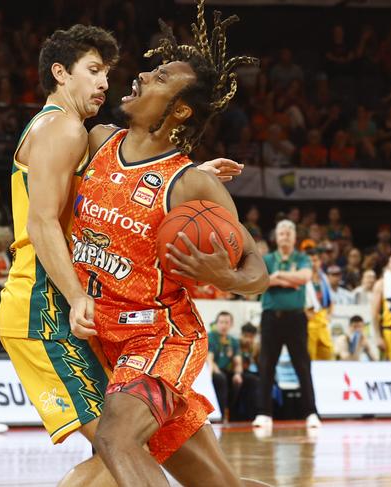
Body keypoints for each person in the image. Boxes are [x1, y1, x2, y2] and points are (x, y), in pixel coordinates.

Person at [0, 21, 247, 487]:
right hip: (46, 305)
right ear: (60, 73)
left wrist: (184, 180)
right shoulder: (66, 128)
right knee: (118, 448)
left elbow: (124, 184)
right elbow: (42, 222)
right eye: (93, 70)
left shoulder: (68, 131)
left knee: (211, 480)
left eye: (107, 72)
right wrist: (74, 296)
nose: (105, 83)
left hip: (109, 321)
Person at [70, 8, 268, 483]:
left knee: (115, 441)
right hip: (101, 339)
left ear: (179, 110)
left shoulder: (190, 185)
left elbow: (256, 268)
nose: (139, 75)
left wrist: (227, 277)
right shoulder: (96, 141)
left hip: (161, 338)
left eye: (158, 77)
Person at [253, 220, 320, 430]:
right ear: (276, 236)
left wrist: (279, 276)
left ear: (294, 237)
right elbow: (260, 281)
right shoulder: (267, 259)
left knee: (302, 365)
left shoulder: (302, 258)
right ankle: (264, 413)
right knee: (266, 365)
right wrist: (290, 281)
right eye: (282, 232)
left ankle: (311, 413)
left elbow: (305, 277)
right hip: (271, 317)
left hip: (296, 318)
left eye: (289, 232)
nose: (285, 236)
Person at [208, 311, 244, 420]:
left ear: (231, 324)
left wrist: (238, 374)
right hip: (212, 370)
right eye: (221, 322)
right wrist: (216, 372)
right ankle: (221, 416)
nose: (224, 325)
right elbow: (209, 359)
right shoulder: (211, 337)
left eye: (226, 322)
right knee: (221, 379)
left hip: (227, 370)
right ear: (216, 323)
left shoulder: (233, 341)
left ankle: (236, 417)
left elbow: (238, 361)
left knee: (249, 380)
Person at [305, 249, 333, 360]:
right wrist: (305, 313)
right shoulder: (302, 278)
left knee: (328, 353)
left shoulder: (324, 278)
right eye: (310, 261)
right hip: (309, 321)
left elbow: (331, 300)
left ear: (320, 262)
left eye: (315, 260)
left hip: (323, 321)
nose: (313, 263)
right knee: (309, 355)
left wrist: (329, 315)